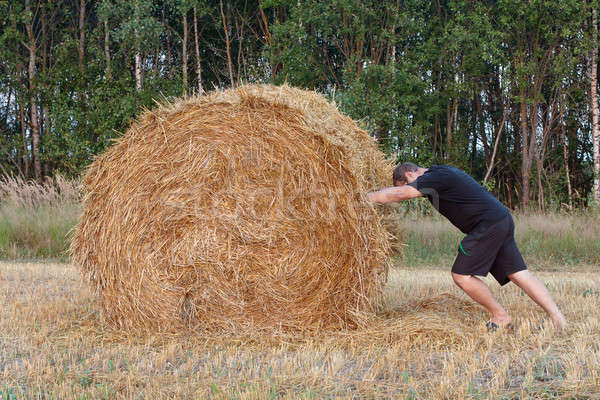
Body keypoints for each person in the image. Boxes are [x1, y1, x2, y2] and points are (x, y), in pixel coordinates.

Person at [367, 163, 567, 330]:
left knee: (461, 275)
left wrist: (363, 198)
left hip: (487, 224)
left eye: (408, 182)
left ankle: (501, 316)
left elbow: (401, 194)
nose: (414, 187)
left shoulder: (432, 177)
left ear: (410, 174)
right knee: (518, 273)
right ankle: (559, 320)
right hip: (500, 219)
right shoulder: (442, 171)